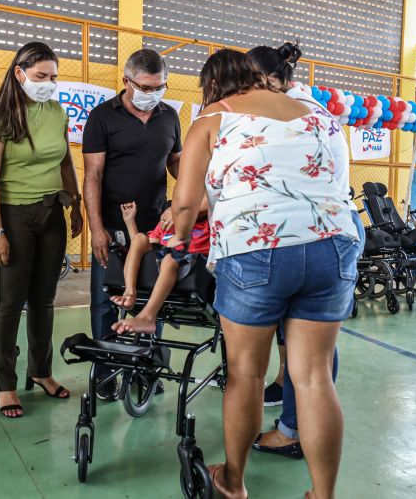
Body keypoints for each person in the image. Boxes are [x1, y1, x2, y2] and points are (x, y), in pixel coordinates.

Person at [167, 49, 359, 499]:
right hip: (333, 243)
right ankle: (322, 494)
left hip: (257, 247)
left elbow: (182, 205)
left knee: (247, 375)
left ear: (213, 86)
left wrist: (178, 238)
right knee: (314, 375)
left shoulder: (213, 118)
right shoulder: (320, 113)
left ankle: (232, 482)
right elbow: (335, 183)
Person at [246, 43, 366, 458]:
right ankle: (293, 412)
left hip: (310, 234)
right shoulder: (313, 108)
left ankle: (293, 430)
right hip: (337, 229)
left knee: (310, 360)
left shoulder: (282, 114)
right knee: (311, 356)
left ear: (268, 82)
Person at [0, 41, 82, 419]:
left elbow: (66, 159)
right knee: (7, 304)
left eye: (53, 77)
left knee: (44, 300)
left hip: (51, 214)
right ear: (19, 74)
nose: (48, 83)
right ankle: (6, 384)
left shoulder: (56, 112)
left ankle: (41, 372)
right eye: (40, 76)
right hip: (13, 217)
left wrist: (76, 201)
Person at [82, 48, 181, 399]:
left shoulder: (169, 116)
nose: (153, 94)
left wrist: (191, 197)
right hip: (112, 224)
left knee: (154, 298)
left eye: (160, 87)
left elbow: (176, 164)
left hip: (156, 227)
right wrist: (97, 229)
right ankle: (106, 371)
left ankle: (145, 371)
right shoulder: (102, 117)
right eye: (146, 87)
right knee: (106, 298)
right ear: (126, 82)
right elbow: (92, 176)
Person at [109, 199, 209, 334]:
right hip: (158, 262)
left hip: (185, 262)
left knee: (169, 257)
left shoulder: (207, 225)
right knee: (139, 238)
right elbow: (142, 247)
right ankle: (130, 293)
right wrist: (130, 221)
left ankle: (148, 316)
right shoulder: (165, 226)